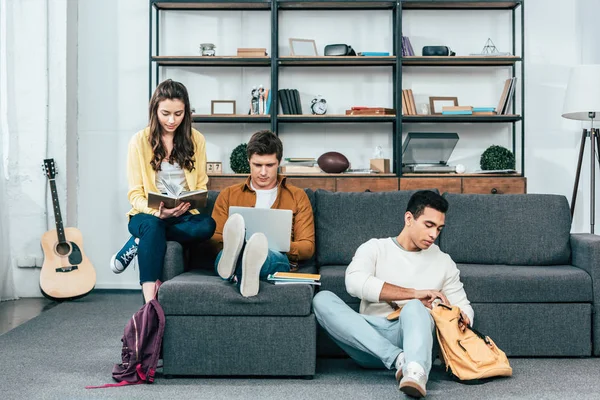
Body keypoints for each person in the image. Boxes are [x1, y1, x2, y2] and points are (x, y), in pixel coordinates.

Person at [312, 190, 474, 399]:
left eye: (439, 228)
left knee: (416, 308)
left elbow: (464, 306)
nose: (434, 235)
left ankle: (415, 371)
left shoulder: (444, 261)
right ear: (409, 218)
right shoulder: (375, 248)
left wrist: (460, 316)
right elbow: (354, 283)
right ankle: (400, 360)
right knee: (322, 299)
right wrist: (413, 294)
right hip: (368, 339)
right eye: (428, 225)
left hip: (416, 337)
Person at [110, 79, 216, 303]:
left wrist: (188, 203)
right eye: (165, 113)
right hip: (146, 216)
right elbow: (135, 194)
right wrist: (156, 212)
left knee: (208, 225)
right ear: (154, 109)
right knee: (153, 225)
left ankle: (139, 241)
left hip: (182, 215)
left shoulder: (197, 140)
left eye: (178, 114)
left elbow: (200, 186)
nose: (171, 120)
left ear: (186, 111)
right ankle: (150, 302)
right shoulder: (139, 141)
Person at [210, 130, 315, 297]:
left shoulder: (297, 196)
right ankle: (244, 265)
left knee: (265, 255)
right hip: (230, 253)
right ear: (248, 161)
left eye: (270, 165)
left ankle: (241, 266)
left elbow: (307, 247)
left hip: (275, 257)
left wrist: (278, 244)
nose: (263, 172)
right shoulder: (228, 194)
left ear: (279, 162)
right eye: (257, 165)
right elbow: (214, 239)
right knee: (226, 253)